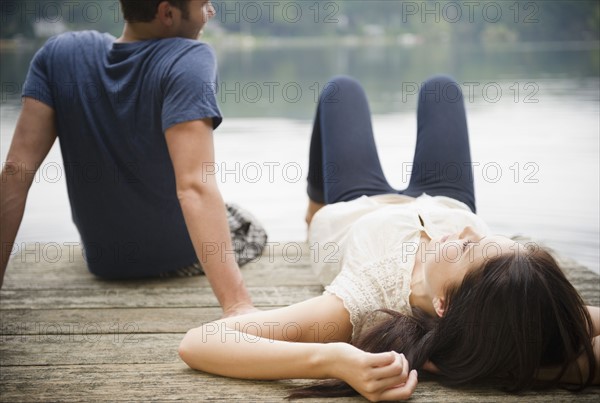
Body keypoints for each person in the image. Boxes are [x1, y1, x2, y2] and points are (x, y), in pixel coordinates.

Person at [178, 75, 600, 401]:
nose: (474, 230)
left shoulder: (362, 296)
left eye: (470, 247)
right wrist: (555, 369)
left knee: (341, 91)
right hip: (445, 199)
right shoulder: (515, 297)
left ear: (443, 304)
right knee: (442, 91)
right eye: (496, 238)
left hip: (353, 204)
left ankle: (313, 212)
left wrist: (332, 358)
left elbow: (200, 342)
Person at [0, 0, 259, 318]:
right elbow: (194, 187)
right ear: (167, 13)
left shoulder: (59, 54)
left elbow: (15, 170)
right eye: (204, 3)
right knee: (247, 224)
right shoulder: (190, 58)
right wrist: (239, 307)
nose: (211, 11)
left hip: (104, 261)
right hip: (175, 258)